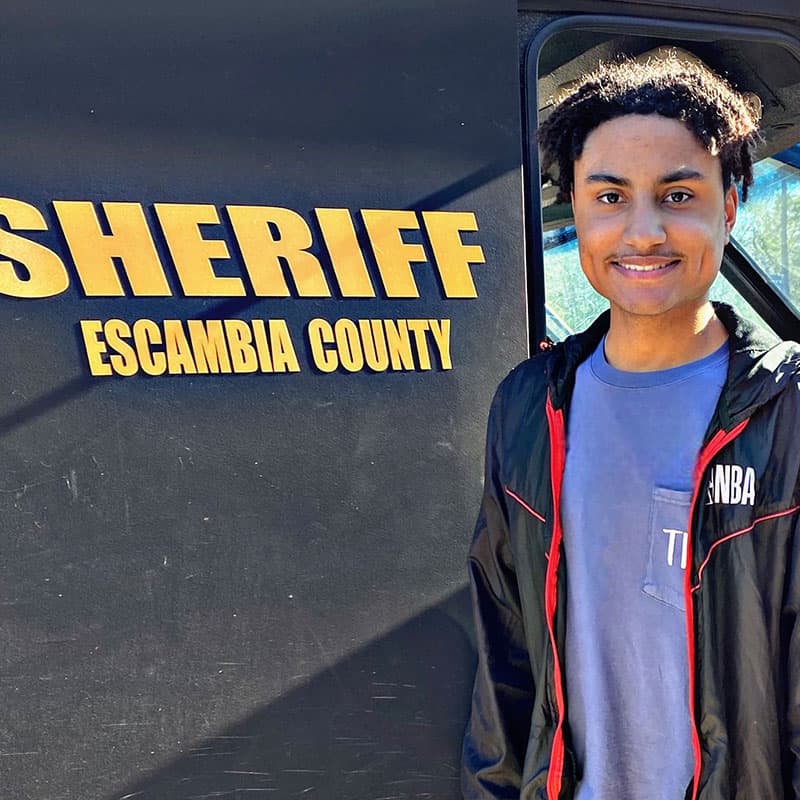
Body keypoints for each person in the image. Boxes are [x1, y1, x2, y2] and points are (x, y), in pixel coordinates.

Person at [462, 54, 800, 800]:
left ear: (730, 205)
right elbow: (504, 660)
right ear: (575, 211)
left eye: (678, 194)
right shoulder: (527, 408)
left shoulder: (788, 408)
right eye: (610, 196)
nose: (643, 232)